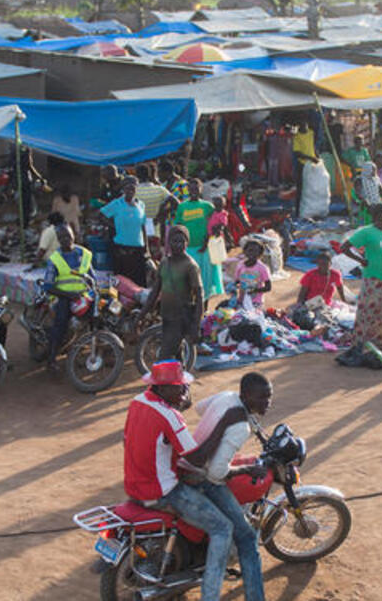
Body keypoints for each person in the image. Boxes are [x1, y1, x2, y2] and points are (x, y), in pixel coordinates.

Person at [123, 360, 263, 601]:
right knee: (223, 528)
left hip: (135, 482)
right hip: (163, 491)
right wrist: (225, 422)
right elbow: (198, 460)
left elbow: (127, 438)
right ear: (163, 388)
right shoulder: (170, 416)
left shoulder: (138, 401)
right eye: (180, 387)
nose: (185, 392)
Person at [187, 373, 274, 599]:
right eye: (261, 398)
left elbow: (199, 408)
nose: (267, 402)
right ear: (246, 395)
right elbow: (217, 474)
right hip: (204, 479)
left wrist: (216, 424)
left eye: (269, 396)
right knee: (246, 537)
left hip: (189, 464)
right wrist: (246, 470)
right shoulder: (240, 427)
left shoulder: (227, 396)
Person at [345, 202, 382, 353]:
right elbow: (344, 247)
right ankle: (366, 344)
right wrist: (361, 260)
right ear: (378, 216)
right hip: (373, 279)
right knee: (370, 314)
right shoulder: (367, 232)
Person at [43, 222, 97, 366]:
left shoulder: (84, 254)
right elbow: (48, 286)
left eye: (68, 235)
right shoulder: (55, 259)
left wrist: (94, 290)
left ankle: (101, 349)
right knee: (60, 324)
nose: (65, 239)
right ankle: (52, 358)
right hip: (63, 297)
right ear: (58, 239)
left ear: (74, 234)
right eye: (61, 237)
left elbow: (92, 277)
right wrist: (69, 295)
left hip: (82, 295)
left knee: (99, 316)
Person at [150, 225, 203, 363]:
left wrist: (196, 325)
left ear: (187, 243)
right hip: (166, 315)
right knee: (177, 358)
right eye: (175, 241)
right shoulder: (164, 263)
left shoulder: (191, 266)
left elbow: (199, 297)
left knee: (164, 358)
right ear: (168, 242)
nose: (178, 245)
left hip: (181, 318)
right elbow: (155, 291)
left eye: (182, 241)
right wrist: (142, 315)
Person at [101, 178, 150, 286]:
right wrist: (114, 226)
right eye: (128, 188)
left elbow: (143, 227)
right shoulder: (117, 203)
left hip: (138, 249)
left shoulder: (141, 205)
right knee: (122, 282)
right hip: (121, 249)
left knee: (138, 282)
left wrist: (147, 248)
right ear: (123, 189)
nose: (130, 190)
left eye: (133, 188)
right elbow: (102, 215)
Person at [288, 250, 347, 336]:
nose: (323, 267)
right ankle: (315, 329)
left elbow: (340, 288)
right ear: (317, 264)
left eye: (325, 264)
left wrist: (344, 300)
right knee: (301, 316)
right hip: (309, 303)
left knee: (323, 317)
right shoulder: (310, 274)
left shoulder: (335, 275)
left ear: (330, 264)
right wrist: (300, 305)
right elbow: (302, 293)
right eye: (320, 264)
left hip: (324, 304)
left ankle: (317, 329)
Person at [230, 239, 272, 312]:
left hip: (256, 302)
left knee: (252, 317)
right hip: (241, 300)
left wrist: (255, 290)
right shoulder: (240, 265)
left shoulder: (262, 268)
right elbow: (237, 281)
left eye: (256, 251)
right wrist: (233, 287)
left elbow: (268, 287)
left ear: (260, 254)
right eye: (250, 250)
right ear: (245, 251)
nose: (252, 253)